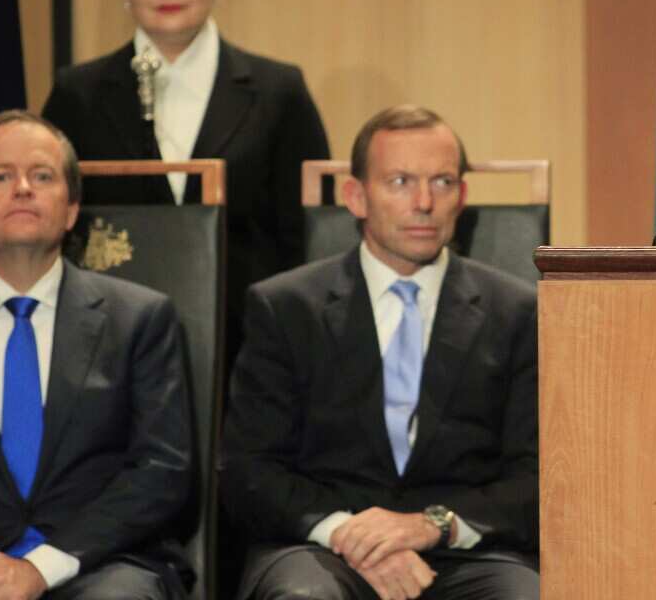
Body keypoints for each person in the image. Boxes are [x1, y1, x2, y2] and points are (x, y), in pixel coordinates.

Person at [219, 105, 539, 600]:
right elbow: (249, 469)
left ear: (462, 197)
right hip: (323, 544)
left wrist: (433, 525)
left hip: (466, 547)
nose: (424, 203)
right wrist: (350, 534)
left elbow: (536, 476)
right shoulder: (285, 307)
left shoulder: (516, 311)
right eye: (400, 182)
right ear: (356, 196)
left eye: (442, 182)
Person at [0, 110, 194, 599]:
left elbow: (161, 472)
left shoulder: (141, 320)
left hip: (98, 563)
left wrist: (40, 567)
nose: (23, 188)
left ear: (71, 209)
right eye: (1, 177)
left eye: (42, 176)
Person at [40, 0, 331, 366]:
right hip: (110, 346)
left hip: (251, 349)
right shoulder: (78, 94)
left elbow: (306, 236)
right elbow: (53, 223)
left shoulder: (279, 91)